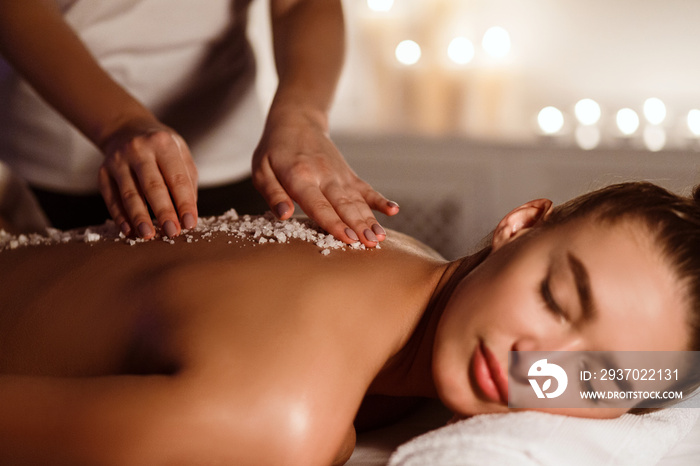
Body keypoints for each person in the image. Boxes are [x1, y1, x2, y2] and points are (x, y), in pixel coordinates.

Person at [1, 181, 699, 465]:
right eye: (554, 297)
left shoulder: (407, 267)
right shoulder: (286, 419)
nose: (536, 361)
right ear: (518, 226)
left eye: (598, 374)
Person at [0, 0, 398, 247]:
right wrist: (120, 122)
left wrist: (304, 115)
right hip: (51, 164)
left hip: (232, 165)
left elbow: (301, 3)